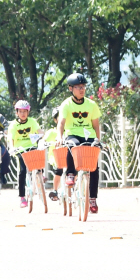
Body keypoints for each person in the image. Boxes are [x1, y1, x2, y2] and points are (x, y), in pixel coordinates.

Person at [56, 73, 102, 214]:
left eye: (83, 87)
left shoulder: (91, 104)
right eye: (78, 87)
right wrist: (60, 137)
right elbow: (61, 123)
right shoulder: (66, 104)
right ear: (71, 88)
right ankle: (70, 174)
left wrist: (98, 141)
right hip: (73, 134)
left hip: (89, 136)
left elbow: (96, 125)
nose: (81, 89)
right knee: (72, 145)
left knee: (94, 166)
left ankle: (92, 199)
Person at [8, 100, 44, 208]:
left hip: (32, 147)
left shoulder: (32, 121)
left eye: (25, 111)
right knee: (22, 171)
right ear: (17, 112)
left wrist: (42, 138)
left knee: (38, 162)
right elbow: (10, 138)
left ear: (28, 112)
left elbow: (40, 132)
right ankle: (22, 197)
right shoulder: (14, 125)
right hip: (19, 150)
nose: (23, 113)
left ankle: (40, 178)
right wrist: (12, 148)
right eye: (20, 111)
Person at [45, 108, 63, 201]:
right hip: (55, 156)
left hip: (68, 155)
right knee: (59, 170)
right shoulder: (52, 132)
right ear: (55, 120)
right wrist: (42, 143)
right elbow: (43, 140)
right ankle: (55, 190)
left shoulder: (70, 131)